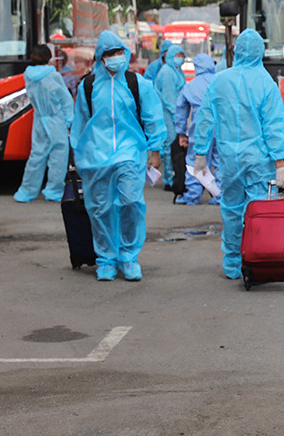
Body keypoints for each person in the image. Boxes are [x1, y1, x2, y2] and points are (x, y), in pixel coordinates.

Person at [191, 29, 284, 279]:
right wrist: (280, 164)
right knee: (259, 209)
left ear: (236, 51)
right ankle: (258, 258)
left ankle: (233, 261)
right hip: (259, 159)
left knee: (232, 208)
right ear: (261, 52)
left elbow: (203, 120)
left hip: (229, 159)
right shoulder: (266, 83)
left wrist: (200, 153)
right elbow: (273, 128)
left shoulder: (219, 81)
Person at [69, 31, 165, 281]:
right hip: (96, 156)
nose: (115, 58)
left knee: (131, 202)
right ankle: (106, 258)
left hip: (130, 153)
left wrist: (155, 150)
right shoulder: (88, 86)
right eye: (110, 54)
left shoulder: (137, 83)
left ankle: (128, 256)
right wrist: (77, 156)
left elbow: (153, 118)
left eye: (119, 52)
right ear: (100, 58)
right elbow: (79, 123)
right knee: (100, 209)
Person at [13, 44, 74, 203]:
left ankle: (26, 191)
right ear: (49, 57)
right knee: (58, 156)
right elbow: (66, 100)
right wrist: (69, 121)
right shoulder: (54, 76)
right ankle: (54, 191)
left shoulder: (28, 76)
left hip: (39, 119)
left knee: (36, 155)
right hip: (55, 120)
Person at [174, 53, 218, 206]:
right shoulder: (220, 82)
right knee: (220, 161)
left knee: (194, 161)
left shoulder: (190, 86)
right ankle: (220, 195)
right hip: (221, 126)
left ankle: (192, 196)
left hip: (200, 126)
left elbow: (181, 110)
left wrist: (181, 132)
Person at [153, 43, 186, 188]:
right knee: (170, 145)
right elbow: (169, 98)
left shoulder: (176, 71)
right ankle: (169, 179)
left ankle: (174, 176)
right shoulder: (167, 72)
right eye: (177, 56)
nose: (180, 59)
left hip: (174, 112)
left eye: (182, 56)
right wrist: (176, 116)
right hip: (167, 113)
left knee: (173, 145)